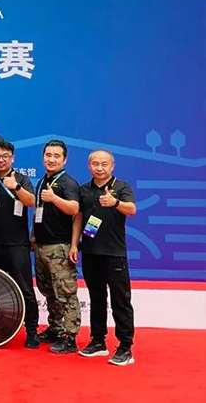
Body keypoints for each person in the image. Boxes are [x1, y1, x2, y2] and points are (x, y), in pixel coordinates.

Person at [72, 150, 137, 366]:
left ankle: (125, 347)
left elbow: (132, 210)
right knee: (97, 298)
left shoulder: (122, 187)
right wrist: (74, 244)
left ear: (112, 166)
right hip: (91, 253)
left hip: (114, 253)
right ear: (89, 165)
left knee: (120, 300)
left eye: (104, 164)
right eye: (95, 164)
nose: (99, 168)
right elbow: (79, 217)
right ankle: (98, 341)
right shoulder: (84, 189)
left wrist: (115, 202)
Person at [0, 141, 40, 348]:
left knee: (25, 289)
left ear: (12, 158)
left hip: (17, 243)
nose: (1, 160)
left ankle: (32, 331)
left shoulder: (21, 178)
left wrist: (16, 187)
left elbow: (31, 201)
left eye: (5, 156)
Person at [33, 139, 81, 354]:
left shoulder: (68, 183)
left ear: (64, 160)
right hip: (41, 245)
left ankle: (70, 337)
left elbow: (74, 209)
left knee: (66, 293)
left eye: (56, 156)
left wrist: (54, 198)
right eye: (48, 155)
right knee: (49, 291)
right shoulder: (43, 180)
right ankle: (55, 328)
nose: (51, 159)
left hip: (59, 247)